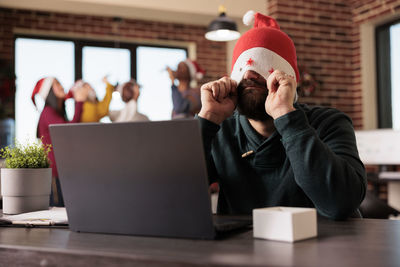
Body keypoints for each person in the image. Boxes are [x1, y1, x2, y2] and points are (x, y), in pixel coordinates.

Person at [196, 11, 367, 220]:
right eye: (243, 66)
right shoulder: (221, 130)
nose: (249, 74)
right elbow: (174, 194)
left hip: (318, 247)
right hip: (240, 248)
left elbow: (341, 203)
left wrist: (285, 114)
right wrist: (206, 120)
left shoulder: (329, 123)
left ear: (288, 79)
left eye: (262, 64)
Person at [32, 77, 88, 206]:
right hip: (55, 172)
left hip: (61, 171)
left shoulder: (54, 113)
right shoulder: (48, 112)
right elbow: (68, 131)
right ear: (50, 91)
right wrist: (79, 102)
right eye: (57, 84)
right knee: (60, 212)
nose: (62, 86)